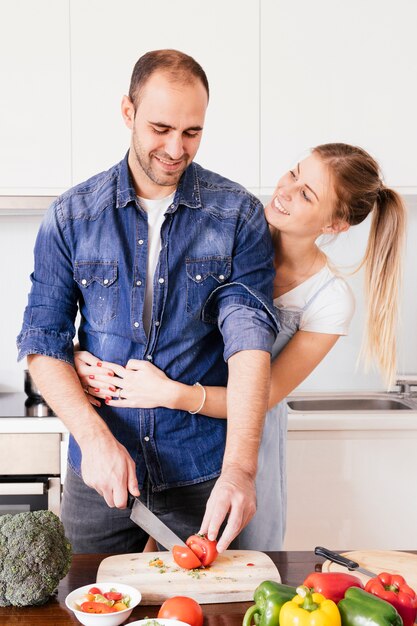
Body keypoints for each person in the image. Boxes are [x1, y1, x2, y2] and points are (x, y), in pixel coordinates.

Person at [75, 142, 406, 550]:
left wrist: (170, 394)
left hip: (238, 444)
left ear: (335, 224)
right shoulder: (229, 234)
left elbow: (262, 394)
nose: (285, 190)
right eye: (293, 173)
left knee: (220, 578)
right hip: (160, 427)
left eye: (306, 194)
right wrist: (83, 356)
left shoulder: (329, 299)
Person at [16, 49, 279, 554]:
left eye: (192, 132)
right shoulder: (72, 216)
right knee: (86, 605)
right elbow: (41, 340)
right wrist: (94, 441)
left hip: (203, 473)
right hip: (100, 471)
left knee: (207, 612)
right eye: (161, 128)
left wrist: (240, 471)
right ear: (128, 112)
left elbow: (249, 347)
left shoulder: (239, 216)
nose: (176, 149)